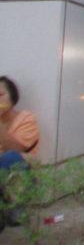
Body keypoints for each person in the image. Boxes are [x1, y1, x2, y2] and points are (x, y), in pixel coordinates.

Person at [0, 76, 39, 231]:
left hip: (15, 176)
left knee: (11, 157)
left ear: (12, 97)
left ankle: (16, 207)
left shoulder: (26, 119)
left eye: (0, 95)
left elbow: (16, 150)